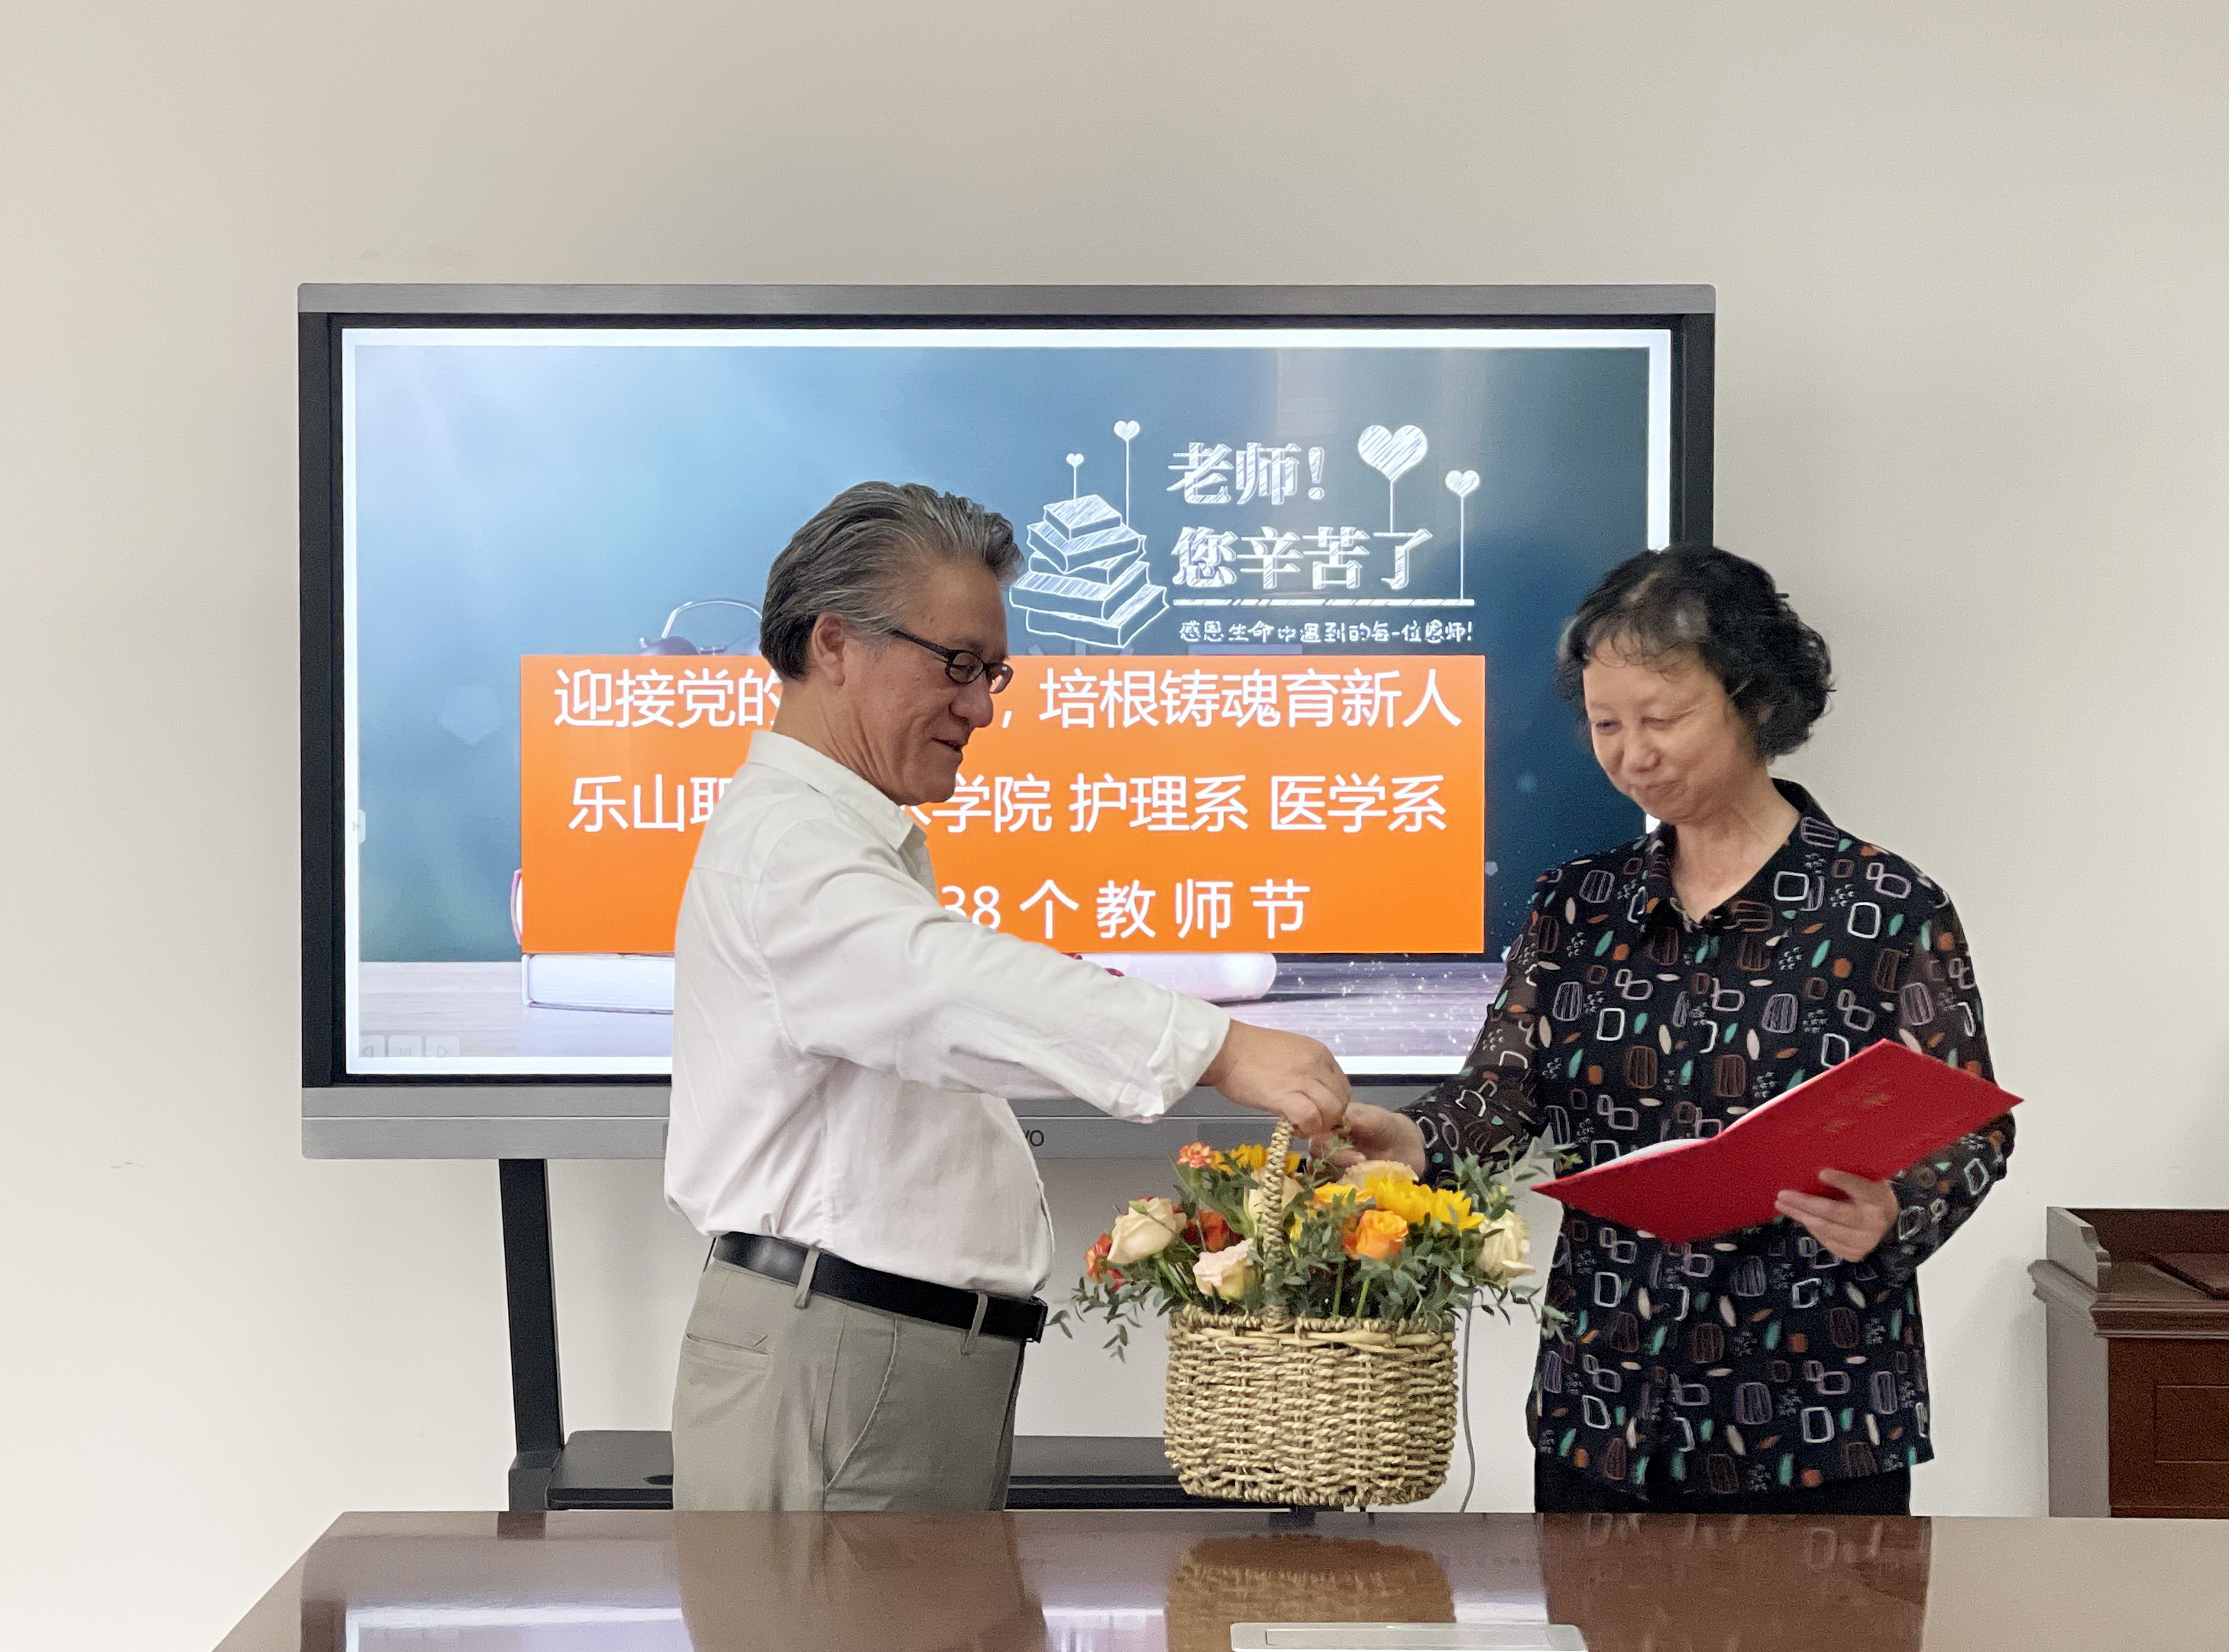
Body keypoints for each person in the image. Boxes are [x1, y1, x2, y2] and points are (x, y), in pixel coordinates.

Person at [664, 481, 1350, 1511]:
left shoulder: (840, 834)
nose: (981, 708)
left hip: (881, 1360)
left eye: (994, 674)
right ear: (834, 642)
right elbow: (939, 984)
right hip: (838, 1363)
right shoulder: (788, 845)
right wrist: (1222, 1048)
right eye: (957, 664)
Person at [1340, 545, 2013, 1516]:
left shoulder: (1885, 906)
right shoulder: (1578, 906)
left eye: (1662, 720)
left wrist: (1895, 1209)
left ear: (1758, 702)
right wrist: (1415, 1141)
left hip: (1815, 1406)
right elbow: (1504, 1090)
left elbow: (1970, 1125)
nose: (1633, 754)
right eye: (1607, 724)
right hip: (1606, 1399)